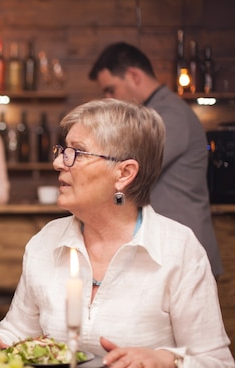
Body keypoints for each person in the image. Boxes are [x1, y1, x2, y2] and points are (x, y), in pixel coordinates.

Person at [0, 99, 235, 368]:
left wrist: (167, 361)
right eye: (62, 151)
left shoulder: (178, 250)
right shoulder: (45, 242)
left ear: (124, 173)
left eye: (76, 153)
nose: (58, 162)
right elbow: (17, 335)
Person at [88, 42, 223, 278]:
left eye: (111, 90)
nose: (109, 99)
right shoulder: (152, 114)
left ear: (134, 76)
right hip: (167, 251)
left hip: (186, 254)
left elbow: (128, 170)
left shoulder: (168, 115)